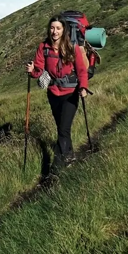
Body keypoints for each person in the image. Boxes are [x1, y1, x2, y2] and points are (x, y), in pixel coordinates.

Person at [26, 15, 90, 172]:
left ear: (64, 30)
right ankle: (69, 155)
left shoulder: (72, 46)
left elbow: (81, 70)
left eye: (58, 28)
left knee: (63, 129)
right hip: (53, 93)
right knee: (61, 128)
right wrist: (32, 71)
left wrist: (83, 87)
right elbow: (39, 69)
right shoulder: (43, 47)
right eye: (52, 28)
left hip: (71, 93)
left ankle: (56, 167)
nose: (54, 31)